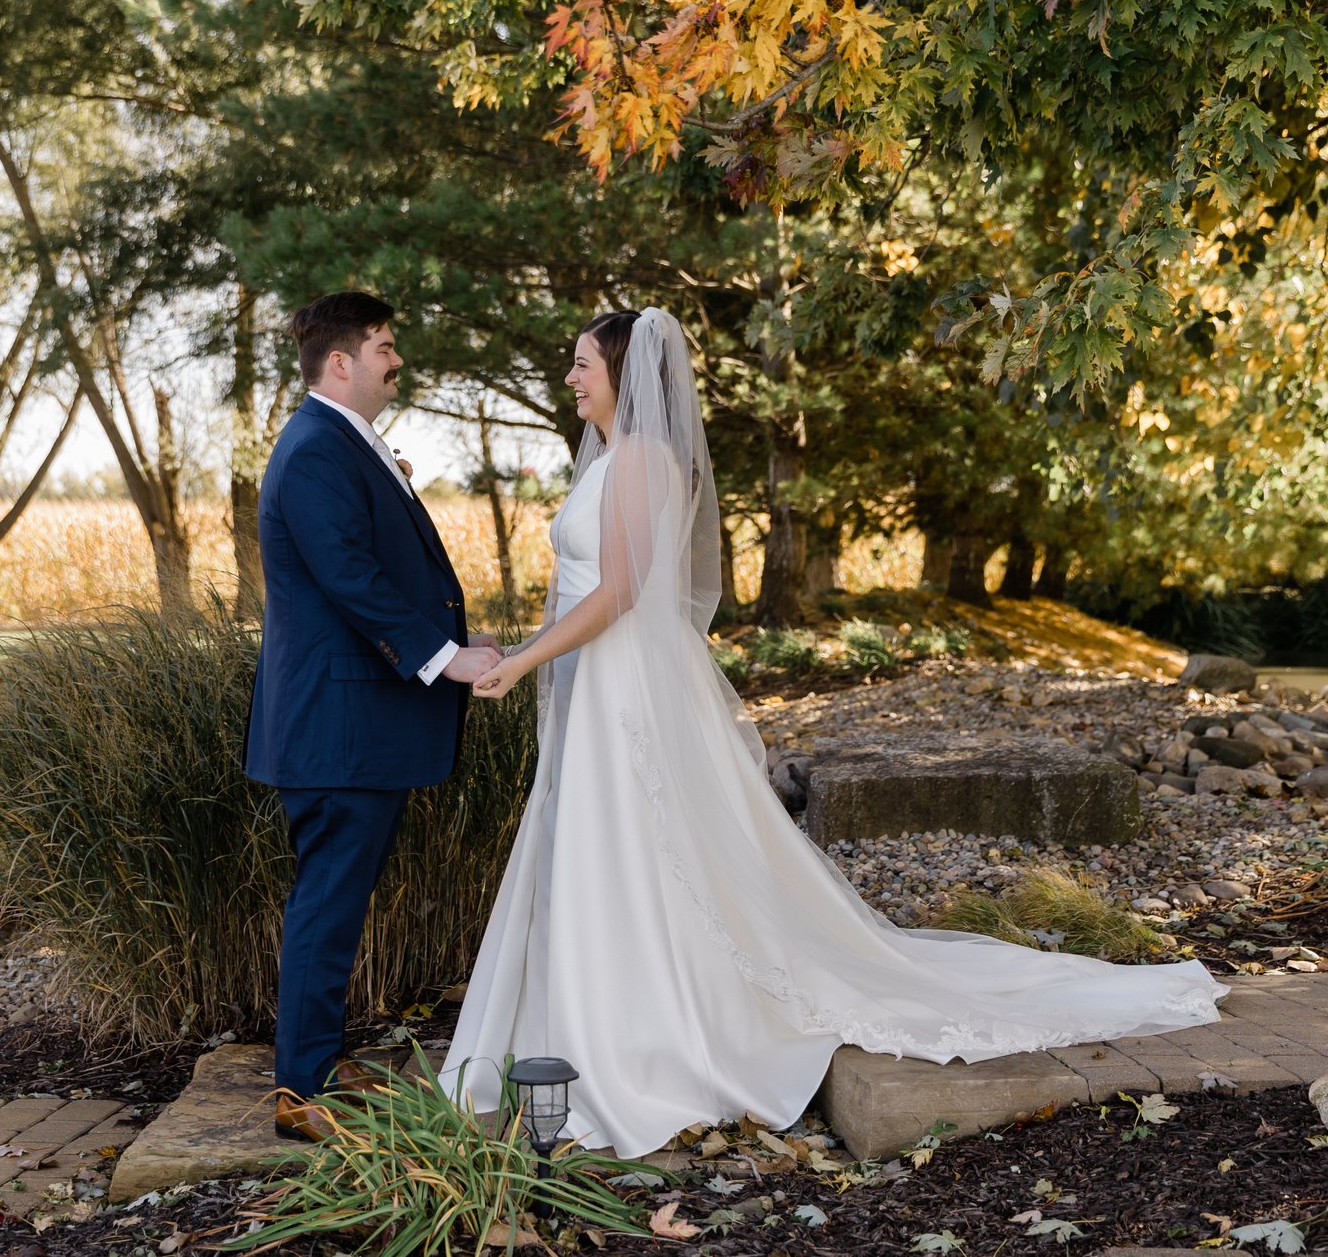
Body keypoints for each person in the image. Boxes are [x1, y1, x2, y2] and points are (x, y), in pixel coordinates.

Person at [441, 307, 1227, 1157]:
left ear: (624, 374)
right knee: (616, 848)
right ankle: (594, 1018)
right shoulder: (615, 457)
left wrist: (522, 659)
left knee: (635, 845)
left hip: (622, 684)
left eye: (583, 361)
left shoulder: (638, 458)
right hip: (604, 682)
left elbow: (622, 590)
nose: (571, 376)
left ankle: (642, 1037)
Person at [247, 291, 503, 1141]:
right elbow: (351, 576)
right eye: (386, 346)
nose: (397, 360)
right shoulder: (317, 447)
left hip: (351, 730)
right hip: (337, 730)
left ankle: (318, 1060)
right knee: (326, 901)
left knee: (340, 898)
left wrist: (458, 636)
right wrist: (445, 657)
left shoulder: (339, 441)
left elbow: (383, 567)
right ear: (343, 361)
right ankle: (300, 1091)